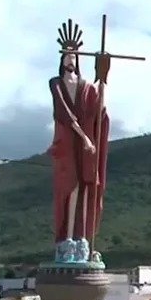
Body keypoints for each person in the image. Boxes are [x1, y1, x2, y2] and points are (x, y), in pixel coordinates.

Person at [47, 34, 110, 264]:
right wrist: (84, 137)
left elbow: (98, 110)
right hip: (67, 143)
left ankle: (81, 237)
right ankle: (66, 239)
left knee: (85, 186)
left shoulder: (86, 87)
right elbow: (63, 112)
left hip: (86, 147)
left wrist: (102, 77)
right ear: (62, 59)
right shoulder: (56, 83)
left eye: (73, 56)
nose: (70, 59)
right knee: (70, 186)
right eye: (67, 55)